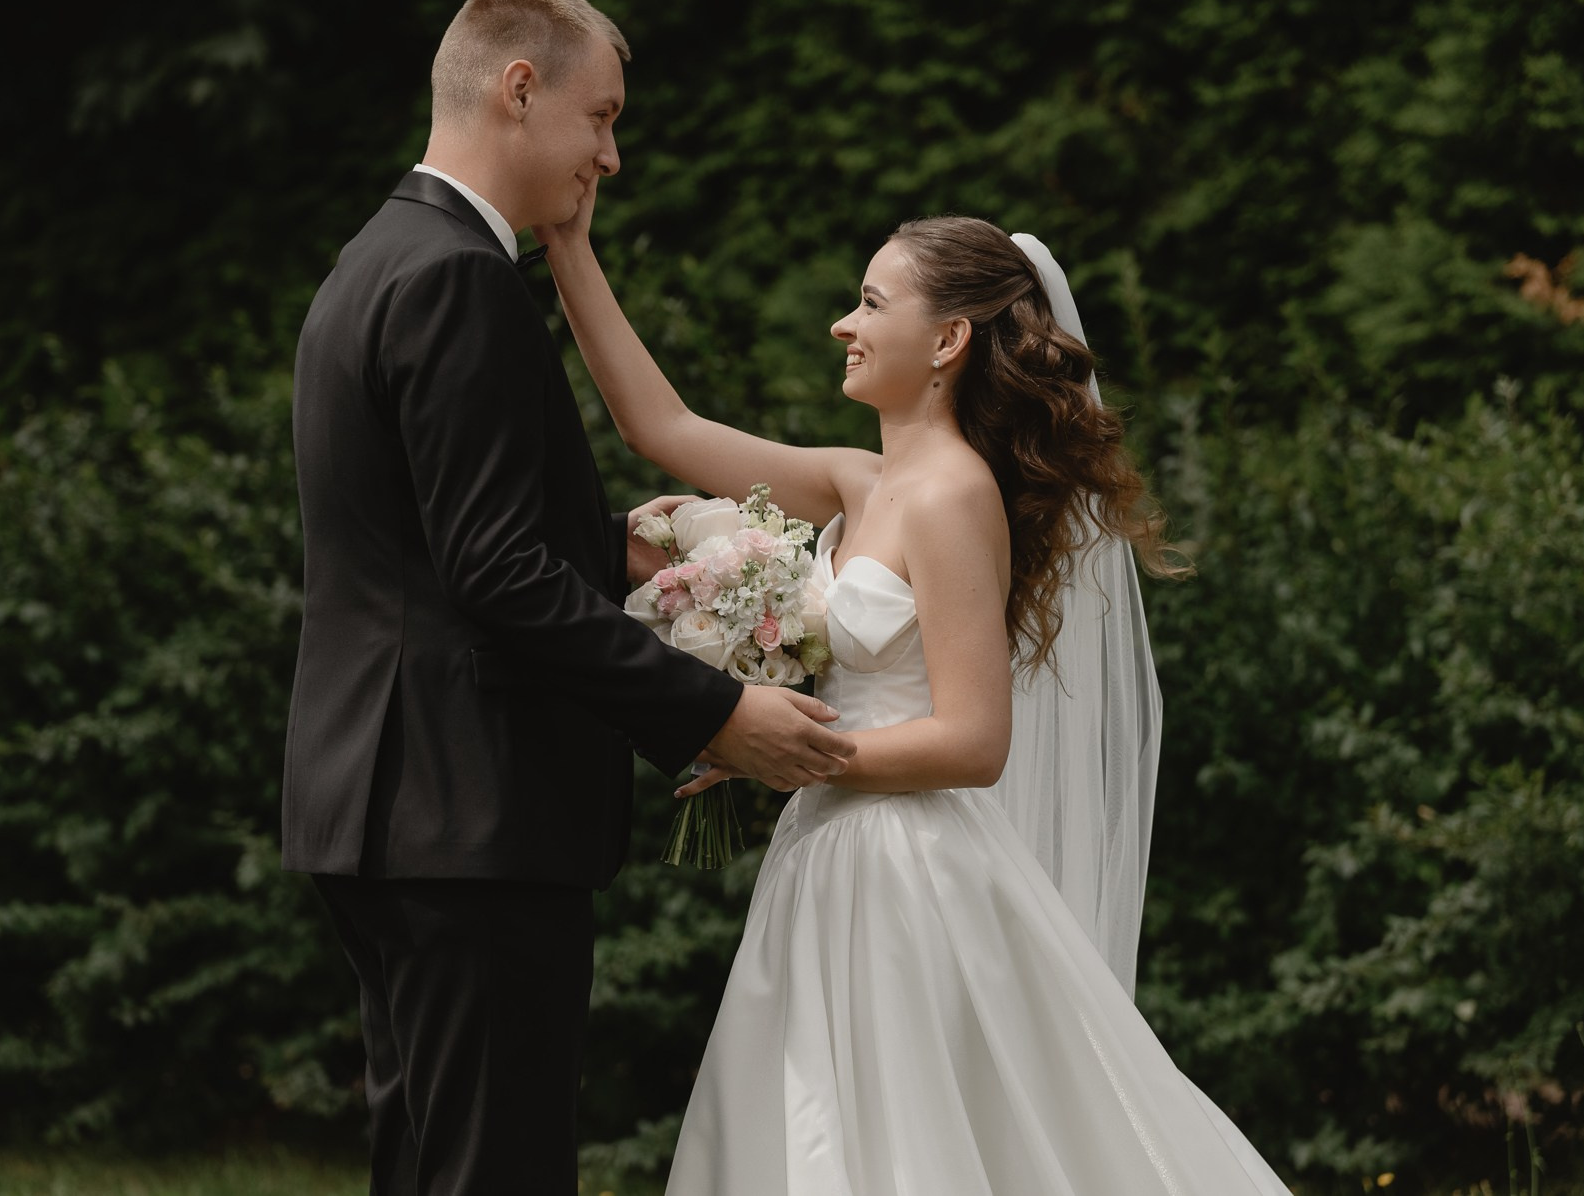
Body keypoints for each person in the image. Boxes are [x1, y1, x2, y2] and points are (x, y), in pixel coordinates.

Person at [535, 198, 1293, 1193]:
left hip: (904, 873)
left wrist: (788, 748)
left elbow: (974, 741)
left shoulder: (951, 496)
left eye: (870, 302)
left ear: (946, 341)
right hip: (825, 850)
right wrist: (567, 243)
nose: (842, 325)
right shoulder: (862, 481)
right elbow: (659, 425)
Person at [282, 0, 856, 1196]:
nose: (609, 155)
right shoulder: (458, 277)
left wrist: (613, 548)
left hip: (385, 796)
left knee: (430, 1161)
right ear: (518, 88)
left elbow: (426, 538)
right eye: (599, 118)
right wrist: (713, 713)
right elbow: (493, 571)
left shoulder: (377, 256)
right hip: (465, 807)